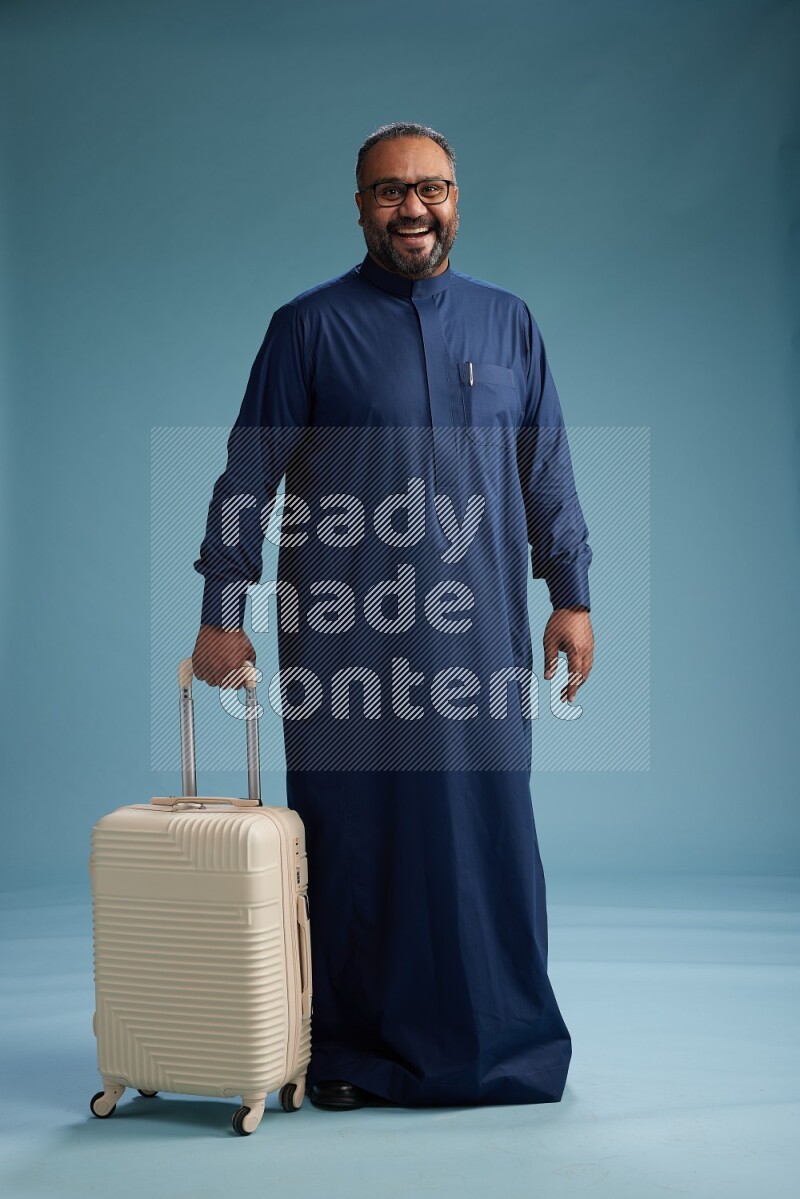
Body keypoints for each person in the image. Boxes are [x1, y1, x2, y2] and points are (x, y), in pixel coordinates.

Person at [192, 122, 594, 1110]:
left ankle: (502, 1045)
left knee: (482, 833)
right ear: (360, 204)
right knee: (356, 839)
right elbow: (249, 474)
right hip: (345, 636)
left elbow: (545, 469)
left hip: (479, 637)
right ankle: (351, 1051)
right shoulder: (307, 327)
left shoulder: (508, 324)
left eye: (431, 188)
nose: (412, 208)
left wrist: (571, 595)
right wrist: (220, 608)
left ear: (456, 196)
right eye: (388, 191)